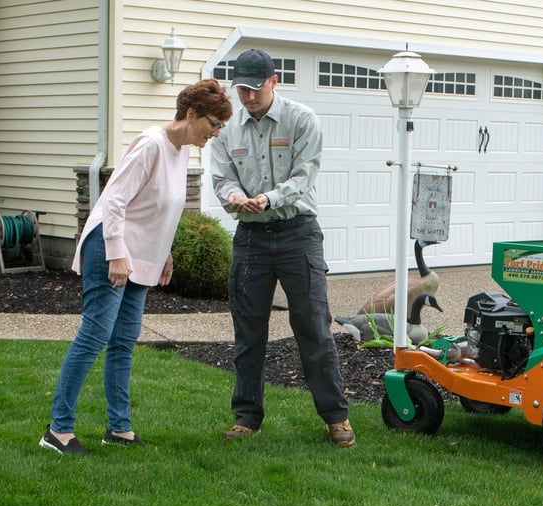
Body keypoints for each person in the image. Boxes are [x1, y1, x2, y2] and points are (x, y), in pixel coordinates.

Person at [39, 79, 232, 454]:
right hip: (111, 247)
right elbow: (114, 201)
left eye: (221, 127)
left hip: (141, 253)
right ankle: (58, 430)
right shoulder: (151, 144)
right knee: (95, 334)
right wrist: (116, 253)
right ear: (191, 115)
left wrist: (165, 252)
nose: (216, 133)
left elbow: (161, 209)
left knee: (124, 341)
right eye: (213, 124)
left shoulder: (181, 151)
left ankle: (119, 429)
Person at [210, 49, 354, 447]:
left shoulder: (302, 120)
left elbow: (305, 175)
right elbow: (221, 179)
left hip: (298, 234)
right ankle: (246, 418)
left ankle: (336, 418)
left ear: (275, 82)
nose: (249, 97)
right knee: (248, 331)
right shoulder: (226, 129)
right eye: (242, 89)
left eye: (256, 89)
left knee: (312, 327)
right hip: (251, 240)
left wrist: (269, 199)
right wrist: (236, 197)